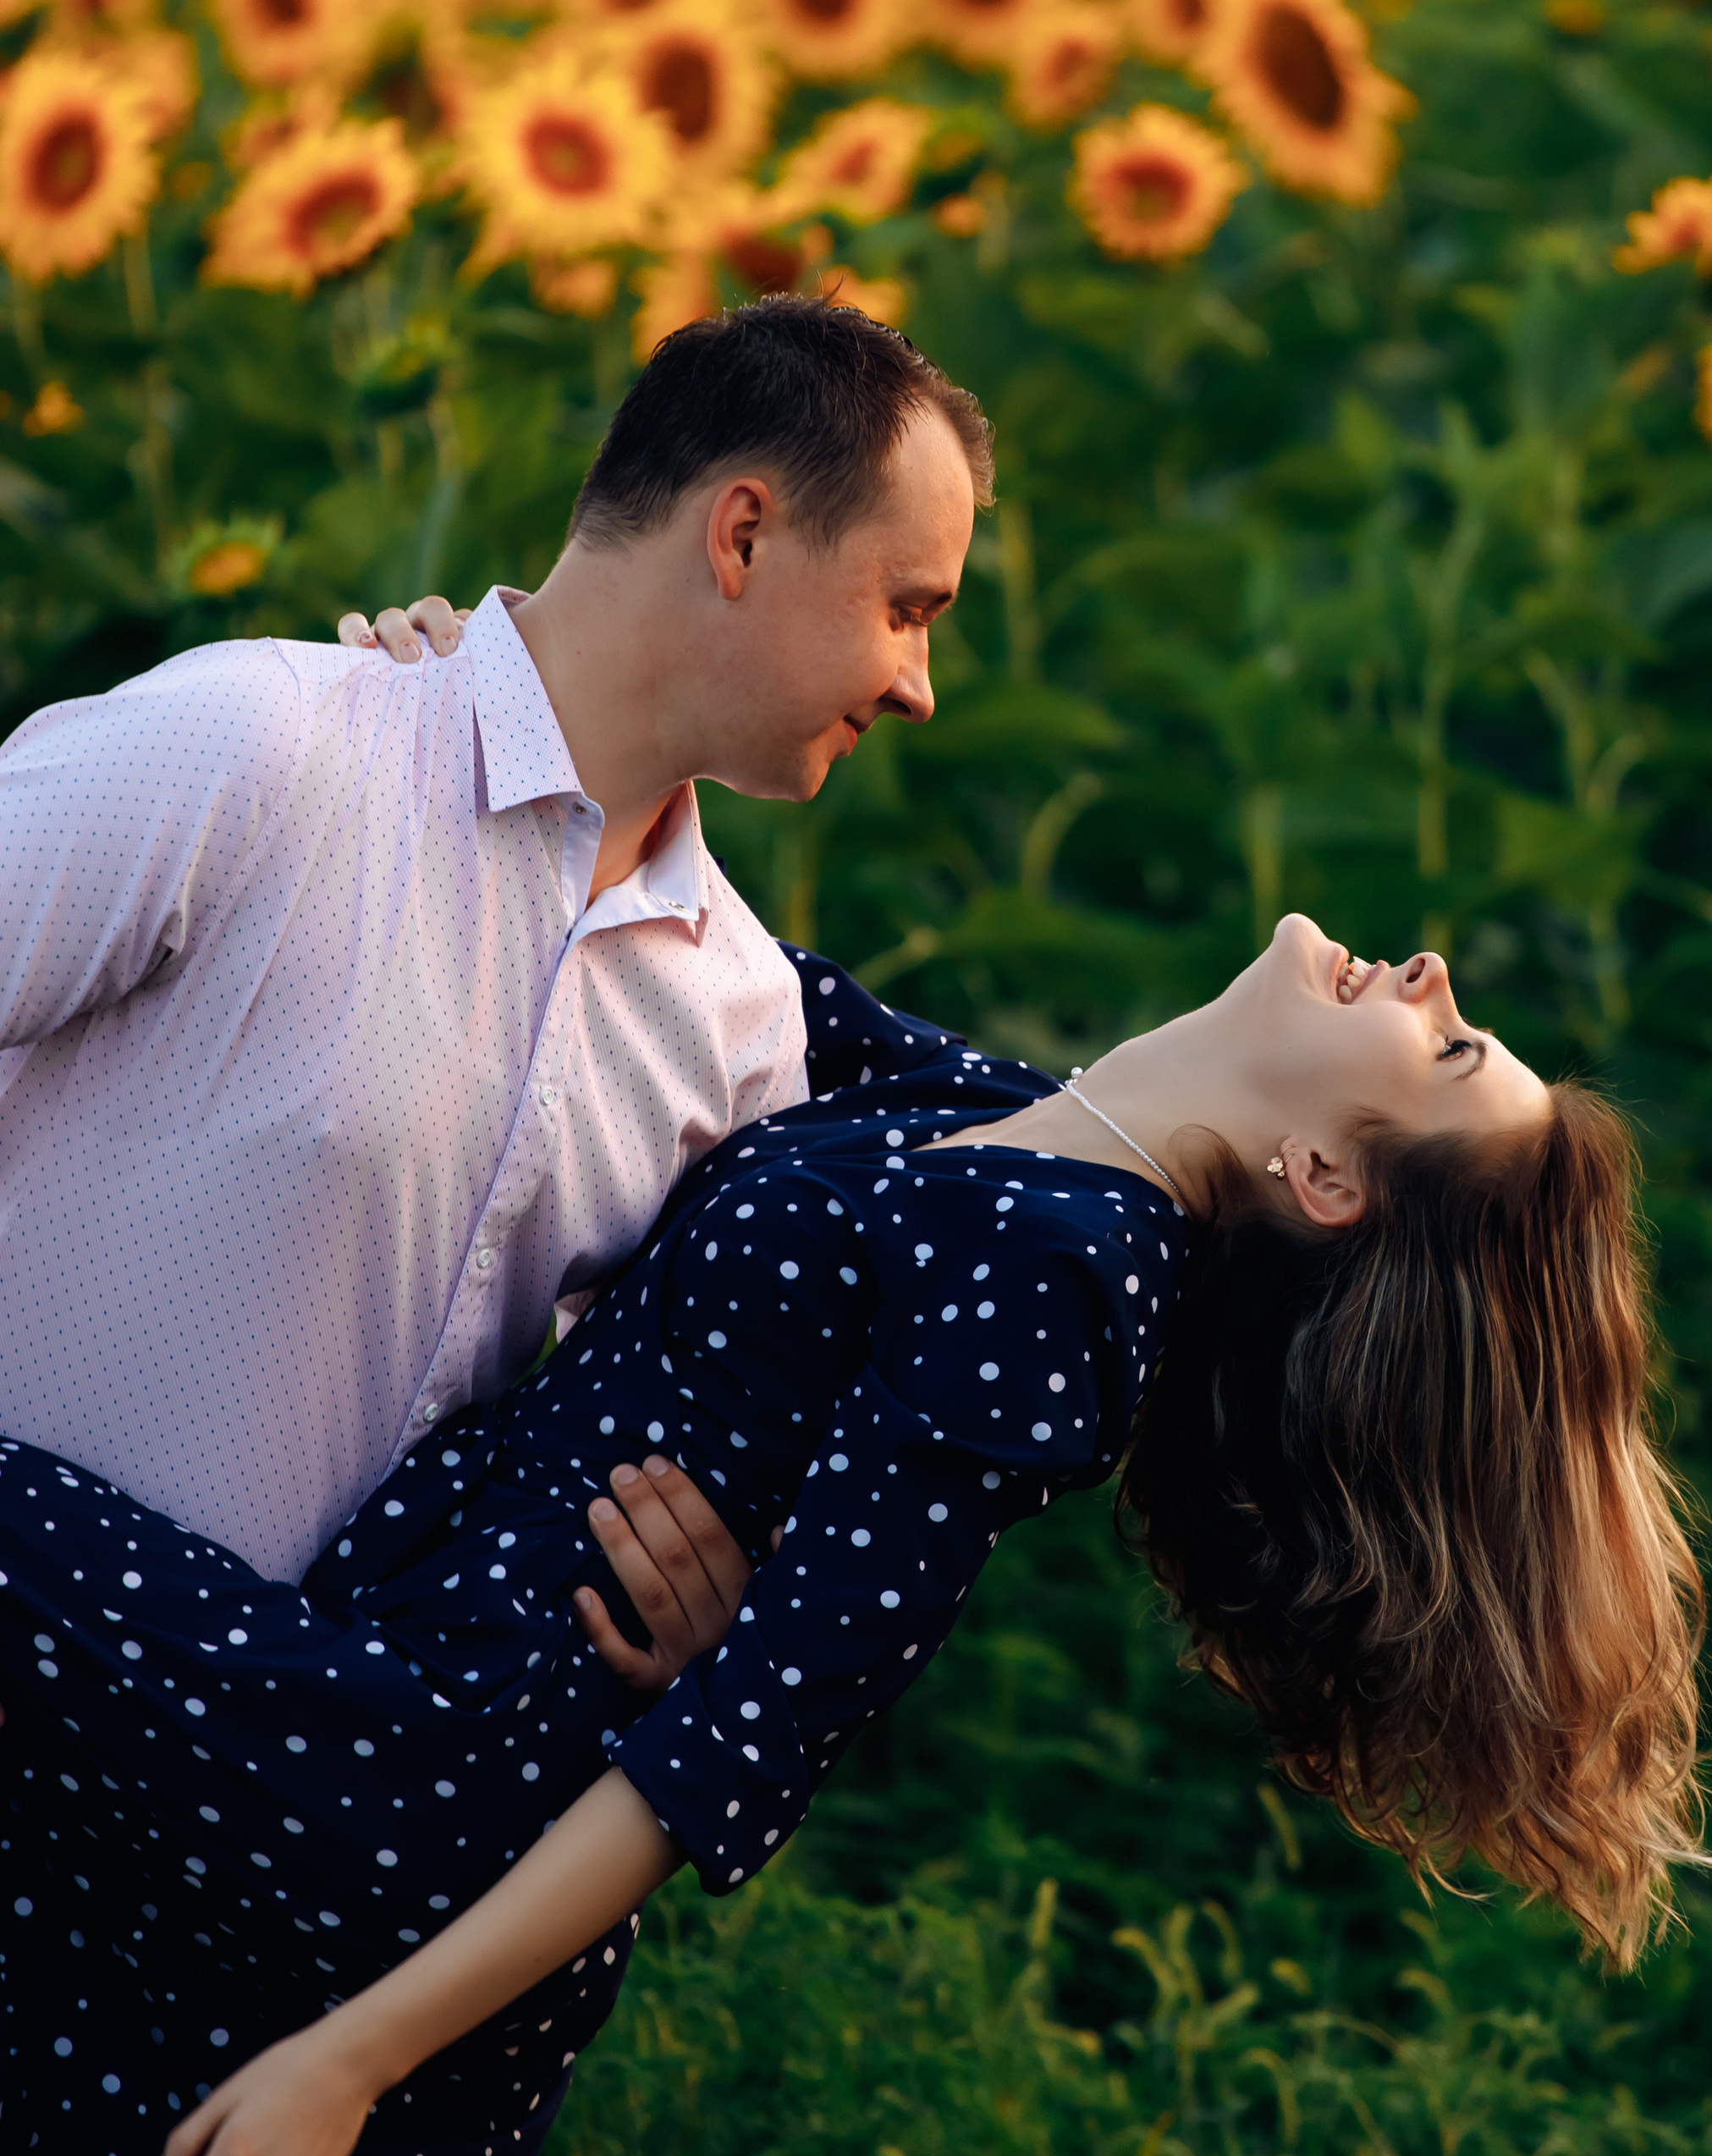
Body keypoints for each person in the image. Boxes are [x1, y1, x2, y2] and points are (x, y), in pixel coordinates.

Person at [0, 918, 1705, 2156]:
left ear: (1325, 1176)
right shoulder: (1021, 1133)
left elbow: (736, 1751)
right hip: (399, 1671)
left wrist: (356, 2062)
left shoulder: (1064, 1283)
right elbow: (731, 968)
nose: (1429, 977)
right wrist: (477, 685)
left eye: (1452, 1047)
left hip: (409, 1766)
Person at [0, 293, 988, 1598]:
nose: (921, 685)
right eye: (907, 608)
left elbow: (597, 1464)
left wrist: (671, 1620)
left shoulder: (742, 1024)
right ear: (743, 534)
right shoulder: (260, 747)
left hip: (285, 1781)